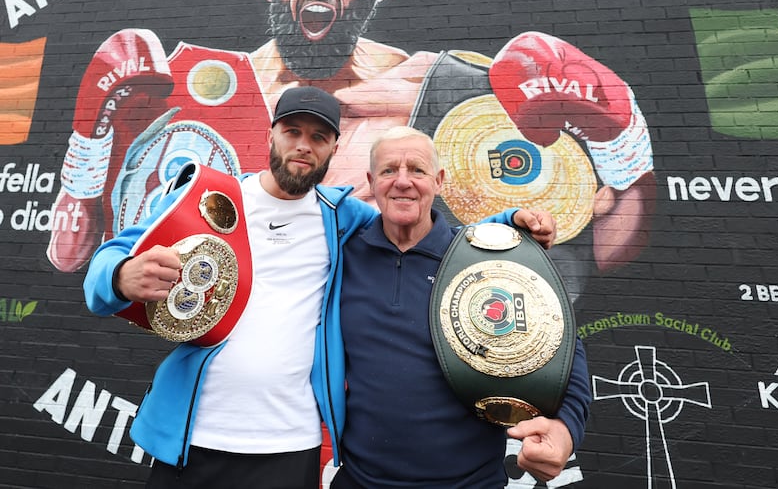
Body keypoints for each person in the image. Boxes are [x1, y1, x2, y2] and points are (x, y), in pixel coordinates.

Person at [49, 0, 654, 283]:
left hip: (375, 326)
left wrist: (624, 138)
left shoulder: (446, 86)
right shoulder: (183, 81)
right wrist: (89, 140)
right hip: (238, 324)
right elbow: (73, 255)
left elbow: (603, 249)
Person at [82, 87, 557, 487]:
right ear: (271, 135)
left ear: (333, 148)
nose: (303, 146)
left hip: (291, 444)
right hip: (192, 435)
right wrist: (122, 277)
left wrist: (508, 225)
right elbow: (103, 269)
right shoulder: (207, 197)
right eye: (293, 132)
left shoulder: (343, 218)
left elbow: (421, 224)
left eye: (318, 137)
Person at [331, 126, 591, 488]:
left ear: (438, 181)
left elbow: (562, 345)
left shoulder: (480, 259)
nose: (402, 181)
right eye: (389, 170)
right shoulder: (341, 256)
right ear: (372, 182)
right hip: (360, 481)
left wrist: (565, 427)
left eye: (417, 170)